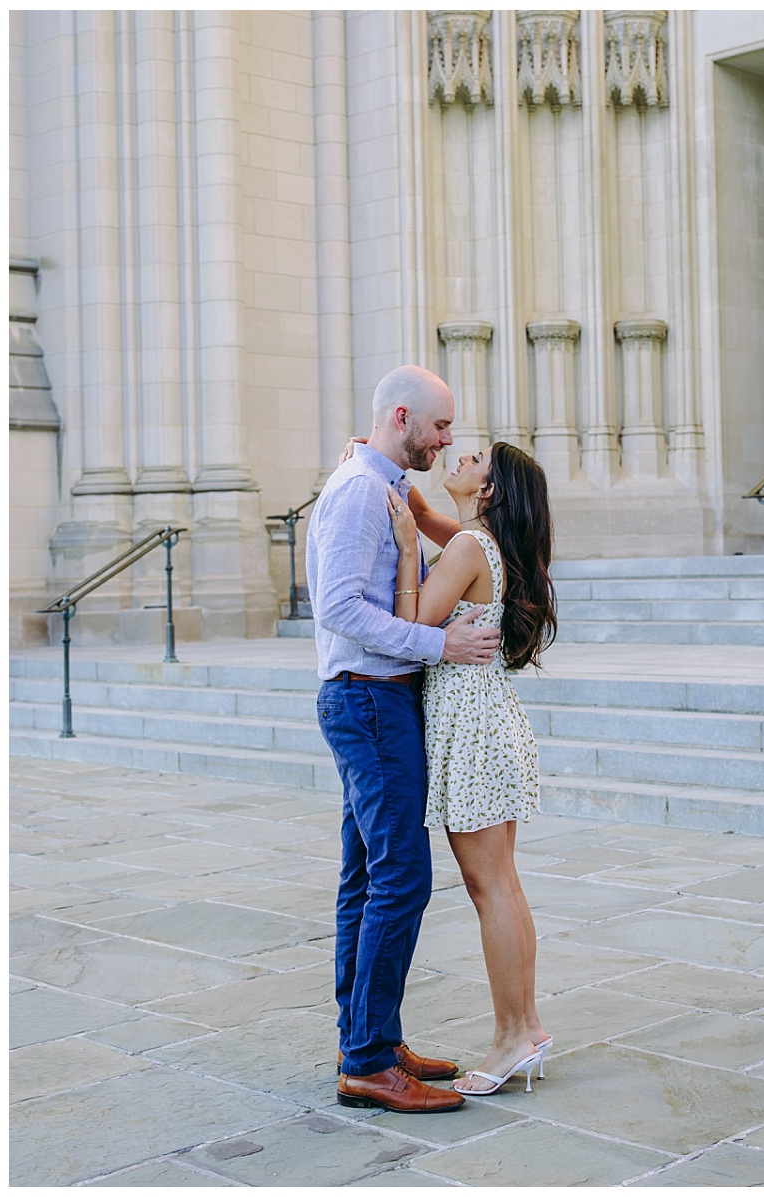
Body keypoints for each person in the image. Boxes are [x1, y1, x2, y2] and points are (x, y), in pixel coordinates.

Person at [307, 364, 501, 1114]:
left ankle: (372, 1038)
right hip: (370, 701)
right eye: (440, 427)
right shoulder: (360, 490)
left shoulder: (380, 483)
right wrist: (439, 647)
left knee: (366, 877)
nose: (448, 439)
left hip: (375, 701)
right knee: (400, 878)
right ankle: (365, 1060)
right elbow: (339, 610)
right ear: (400, 416)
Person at [384, 441, 558, 1095]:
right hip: (489, 719)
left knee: (489, 888)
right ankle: (529, 1025)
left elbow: (413, 624)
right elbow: (436, 519)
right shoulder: (480, 542)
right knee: (504, 884)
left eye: (478, 459)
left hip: (470, 725)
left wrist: (406, 548)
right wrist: (408, 496)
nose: (461, 454)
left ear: (489, 492)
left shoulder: (466, 549)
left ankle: (513, 1034)